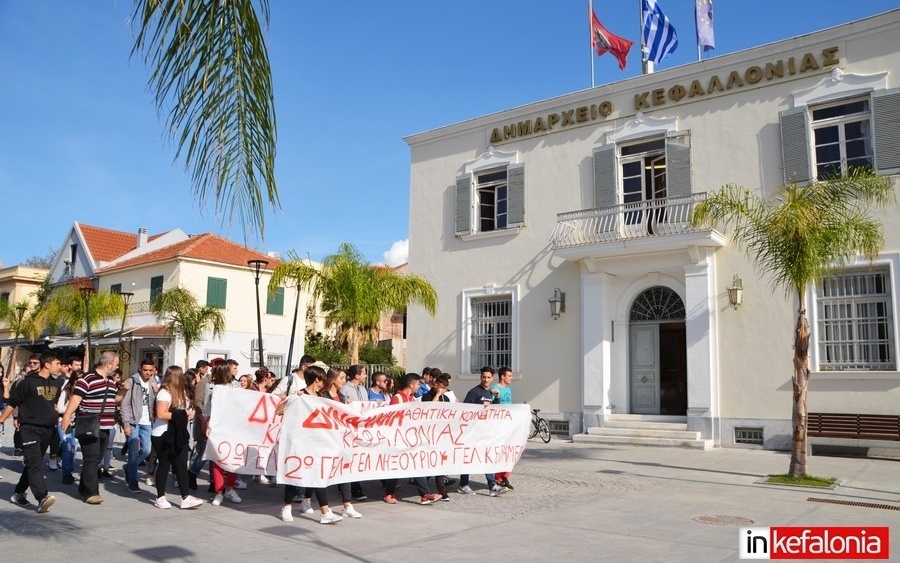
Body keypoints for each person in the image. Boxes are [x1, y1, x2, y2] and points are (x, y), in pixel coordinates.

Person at [278, 364, 343, 524]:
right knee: (295, 475)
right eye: (322, 379)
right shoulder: (300, 396)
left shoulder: (321, 398)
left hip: (317, 443)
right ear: (317, 379)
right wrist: (291, 398)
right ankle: (286, 507)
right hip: (299, 443)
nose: (324, 382)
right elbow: (278, 411)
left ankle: (325, 512)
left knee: (318, 476)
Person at [0, 352, 64, 513]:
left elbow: (53, 404)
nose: (60, 367)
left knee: (32, 464)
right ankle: (42, 497)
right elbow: (12, 403)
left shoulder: (57, 384)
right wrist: (1, 420)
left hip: (48, 430)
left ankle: (19, 494)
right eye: (57, 363)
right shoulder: (27, 382)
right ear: (47, 364)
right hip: (29, 429)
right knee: (35, 463)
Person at [61, 351, 121, 505]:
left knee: (96, 459)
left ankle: (83, 486)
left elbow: (115, 399)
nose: (116, 367)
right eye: (116, 364)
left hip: (106, 426)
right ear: (108, 364)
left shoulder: (111, 381)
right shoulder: (86, 379)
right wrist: (67, 416)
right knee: (91, 458)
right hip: (89, 424)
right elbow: (76, 398)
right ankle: (91, 492)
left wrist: (125, 390)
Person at [384, 373, 441, 505]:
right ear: (411, 384)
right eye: (417, 384)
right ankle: (389, 493)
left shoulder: (411, 398)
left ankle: (424, 494)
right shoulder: (397, 399)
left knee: (415, 464)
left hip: (410, 439)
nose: (419, 386)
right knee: (396, 467)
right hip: (399, 439)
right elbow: (392, 419)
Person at [151, 366, 204, 510]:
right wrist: (181, 414)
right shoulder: (164, 393)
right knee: (164, 464)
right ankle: (160, 497)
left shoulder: (183, 393)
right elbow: (161, 413)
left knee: (181, 465)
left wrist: (189, 413)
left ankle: (185, 497)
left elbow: (186, 410)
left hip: (178, 434)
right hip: (163, 433)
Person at [320, 367, 363, 518]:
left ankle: (347, 505)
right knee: (323, 473)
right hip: (325, 440)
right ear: (332, 379)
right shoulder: (322, 396)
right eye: (342, 378)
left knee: (344, 471)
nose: (344, 381)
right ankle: (308, 499)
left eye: (345, 378)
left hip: (341, 440)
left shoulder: (342, 397)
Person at [457, 366, 507, 497]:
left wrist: (496, 400)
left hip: (485, 432)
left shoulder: (491, 393)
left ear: (492, 379)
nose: (486, 379)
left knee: (487, 457)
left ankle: (492, 485)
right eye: (484, 377)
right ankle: (463, 484)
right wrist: (480, 407)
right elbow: (465, 409)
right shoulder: (474, 392)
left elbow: (494, 411)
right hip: (472, 432)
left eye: (488, 377)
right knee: (468, 458)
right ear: (480, 378)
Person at [118, 359, 157, 493]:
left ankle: (129, 467)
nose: (147, 373)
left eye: (150, 370)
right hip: (134, 421)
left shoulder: (153, 382)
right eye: (145, 370)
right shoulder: (132, 381)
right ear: (140, 368)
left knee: (146, 450)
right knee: (133, 452)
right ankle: (133, 482)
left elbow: (156, 403)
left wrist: (156, 391)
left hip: (148, 421)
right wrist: (126, 424)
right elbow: (125, 404)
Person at [207, 361, 243, 506]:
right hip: (217, 428)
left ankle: (230, 488)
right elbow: (208, 408)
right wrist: (208, 424)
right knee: (217, 461)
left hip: (233, 428)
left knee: (232, 460)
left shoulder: (236, 387)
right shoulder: (212, 388)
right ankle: (219, 492)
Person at [421, 373, 453, 501]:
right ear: (436, 385)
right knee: (429, 463)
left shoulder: (447, 398)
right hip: (429, 434)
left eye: (445, 388)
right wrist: (437, 395)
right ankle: (421, 482)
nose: (443, 390)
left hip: (442, 434)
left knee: (440, 463)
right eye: (442, 387)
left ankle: (442, 490)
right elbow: (429, 410)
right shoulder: (427, 396)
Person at [56, 369, 82, 485]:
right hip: (64, 421)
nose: (79, 382)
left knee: (73, 447)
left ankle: (69, 471)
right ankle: (66, 474)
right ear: (73, 380)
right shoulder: (66, 391)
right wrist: (72, 407)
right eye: (77, 380)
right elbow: (60, 408)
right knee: (67, 446)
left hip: (77, 422)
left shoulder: (83, 392)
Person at [491, 367, 515, 490]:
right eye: (509, 376)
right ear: (502, 377)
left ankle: (505, 476)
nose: (512, 378)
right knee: (499, 451)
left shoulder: (509, 389)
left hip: (508, 424)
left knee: (508, 451)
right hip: (499, 425)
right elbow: (491, 404)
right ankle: (498, 478)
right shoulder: (495, 389)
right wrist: (496, 397)